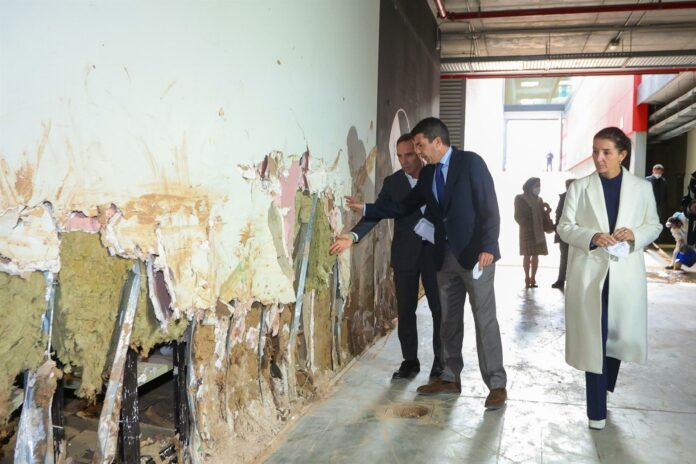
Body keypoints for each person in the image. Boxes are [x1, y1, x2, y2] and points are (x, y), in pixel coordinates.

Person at [344, 117, 507, 410]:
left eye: (420, 146)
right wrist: (367, 208)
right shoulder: (430, 174)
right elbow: (404, 205)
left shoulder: (470, 163)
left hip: (475, 257)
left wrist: (489, 247)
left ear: (437, 142)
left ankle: (496, 384)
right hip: (443, 259)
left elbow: (489, 206)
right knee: (448, 322)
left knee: (484, 320)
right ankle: (449, 377)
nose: (418, 152)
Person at [557, 127, 661, 430]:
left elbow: (654, 226)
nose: (599, 158)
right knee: (594, 340)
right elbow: (565, 227)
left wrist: (635, 234)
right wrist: (592, 236)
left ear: (622, 155)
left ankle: (605, 385)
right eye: (595, 151)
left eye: (606, 152)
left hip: (625, 275)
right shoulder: (580, 187)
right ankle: (596, 412)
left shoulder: (641, 188)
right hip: (590, 275)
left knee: (618, 339)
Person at [329, 134, 443, 380]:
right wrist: (352, 236)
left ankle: (441, 363)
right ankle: (410, 361)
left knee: (439, 310)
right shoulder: (393, 183)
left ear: (419, 151)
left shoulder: (437, 174)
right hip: (405, 255)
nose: (404, 161)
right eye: (399, 156)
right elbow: (376, 213)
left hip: (435, 254)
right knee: (406, 310)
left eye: (409, 155)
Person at [514, 177, 554, 288]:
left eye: (539, 185)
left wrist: (547, 211)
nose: (538, 188)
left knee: (536, 255)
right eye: (536, 186)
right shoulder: (520, 198)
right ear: (529, 186)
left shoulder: (539, 200)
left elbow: (542, 216)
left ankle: (533, 278)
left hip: (539, 231)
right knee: (527, 255)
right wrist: (526, 223)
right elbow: (517, 215)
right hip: (527, 231)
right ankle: (527, 277)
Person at [552, 179, 574, 289]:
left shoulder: (581, 196)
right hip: (565, 232)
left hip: (576, 232)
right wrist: (558, 230)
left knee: (573, 258)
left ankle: (571, 280)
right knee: (565, 257)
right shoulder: (563, 197)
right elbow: (558, 214)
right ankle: (561, 280)